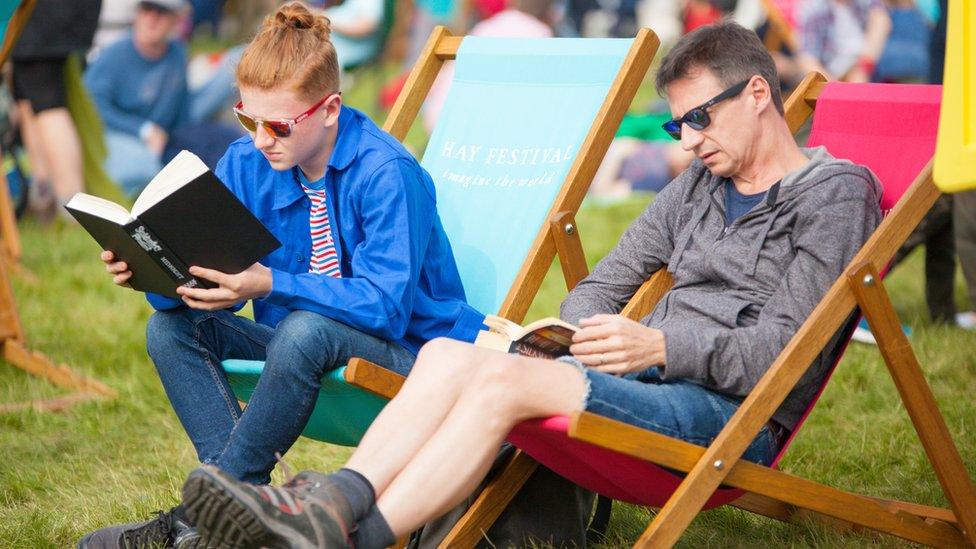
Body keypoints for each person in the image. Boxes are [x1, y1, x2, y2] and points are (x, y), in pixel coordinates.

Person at [176, 21, 884, 549]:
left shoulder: (836, 194)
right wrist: (568, 336)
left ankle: (346, 533)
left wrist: (659, 344)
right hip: (645, 386)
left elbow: (779, 352)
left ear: (758, 93)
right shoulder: (700, 182)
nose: (688, 140)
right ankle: (331, 507)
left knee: (497, 383)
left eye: (699, 117)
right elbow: (605, 281)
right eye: (677, 124)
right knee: (451, 357)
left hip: (726, 416)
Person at [77, 3, 485, 547]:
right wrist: (153, 270)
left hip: (411, 359)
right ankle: (240, 509)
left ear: (330, 108)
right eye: (248, 118)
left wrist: (270, 283)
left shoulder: (387, 173)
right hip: (301, 351)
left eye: (278, 125)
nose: (261, 138)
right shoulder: (246, 163)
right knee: (169, 330)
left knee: (303, 327)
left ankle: (211, 515)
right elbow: (210, 283)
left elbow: (387, 309)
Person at [83, 0, 242, 196]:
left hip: (167, 134)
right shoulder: (114, 54)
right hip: (118, 134)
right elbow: (91, 109)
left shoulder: (177, 52)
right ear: (137, 14)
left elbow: (183, 113)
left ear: (176, 19)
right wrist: (143, 130)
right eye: (147, 9)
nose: (152, 18)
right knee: (143, 166)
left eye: (162, 12)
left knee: (229, 140)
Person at [12, 0, 101, 218]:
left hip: (43, 16)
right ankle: (44, 195)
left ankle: (73, 206)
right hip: (47, 16)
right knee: (27, 98)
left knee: (47, 105)